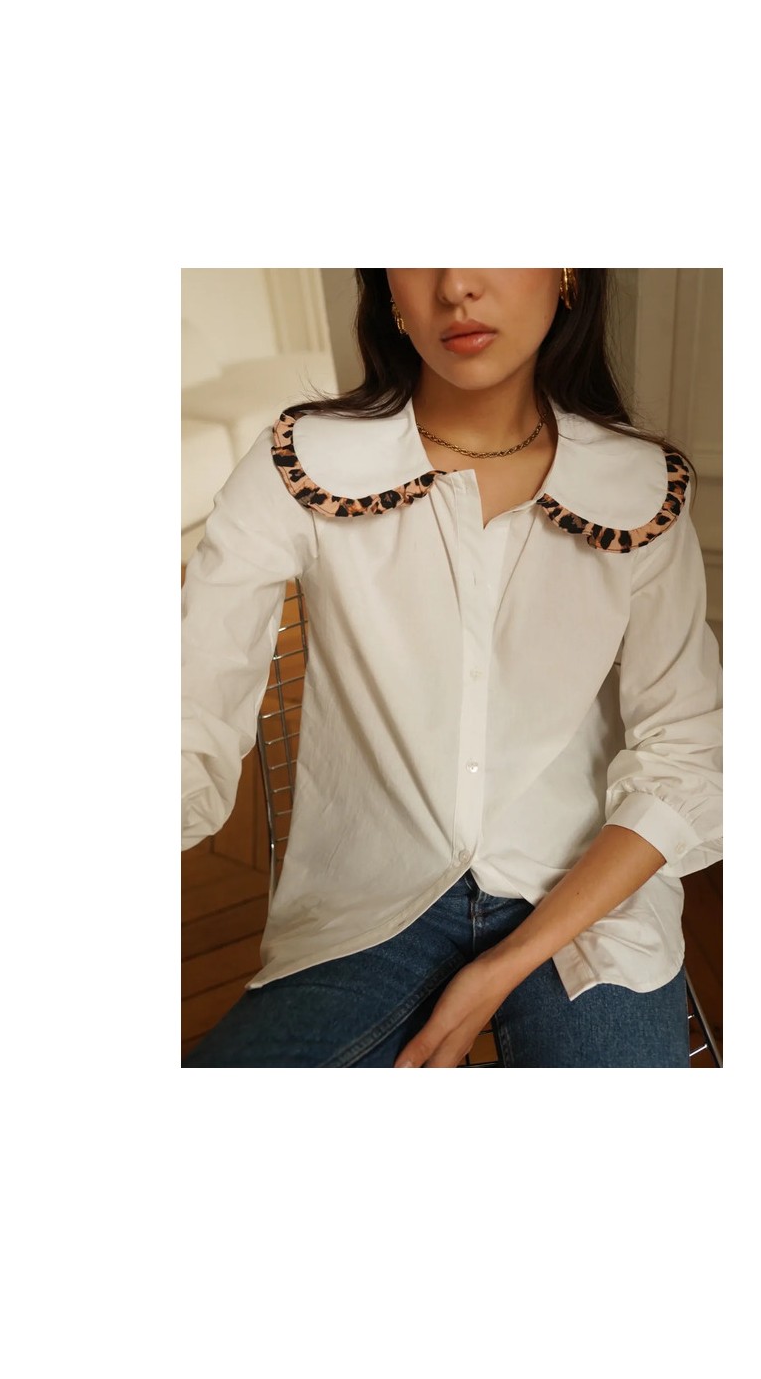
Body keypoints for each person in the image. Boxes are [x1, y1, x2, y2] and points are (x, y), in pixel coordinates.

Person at [182, 268, 722, 1068]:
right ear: (387, 289)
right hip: (367, 905)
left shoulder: (642, 490)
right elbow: (188, 707)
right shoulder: (302, 463)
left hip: (589, 903)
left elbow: (687, 753)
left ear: (567, 272)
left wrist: (501, 970)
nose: (456, 284)